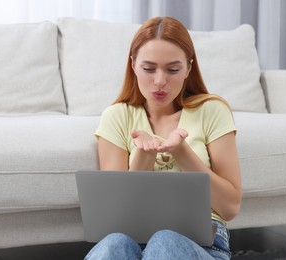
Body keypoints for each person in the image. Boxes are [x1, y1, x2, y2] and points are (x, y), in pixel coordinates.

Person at [87, 16, 241, 260]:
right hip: (132, 236)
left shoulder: (212, 110)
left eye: (172, 69)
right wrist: (144, 157)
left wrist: (183, 154)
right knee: (113, 244)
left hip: (203, 243)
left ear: (189, 68)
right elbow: (114, 218)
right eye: (148, 69)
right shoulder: (117, 116)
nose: (160, 81)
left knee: (165, 241)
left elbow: (230, 207)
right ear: (133, 66)